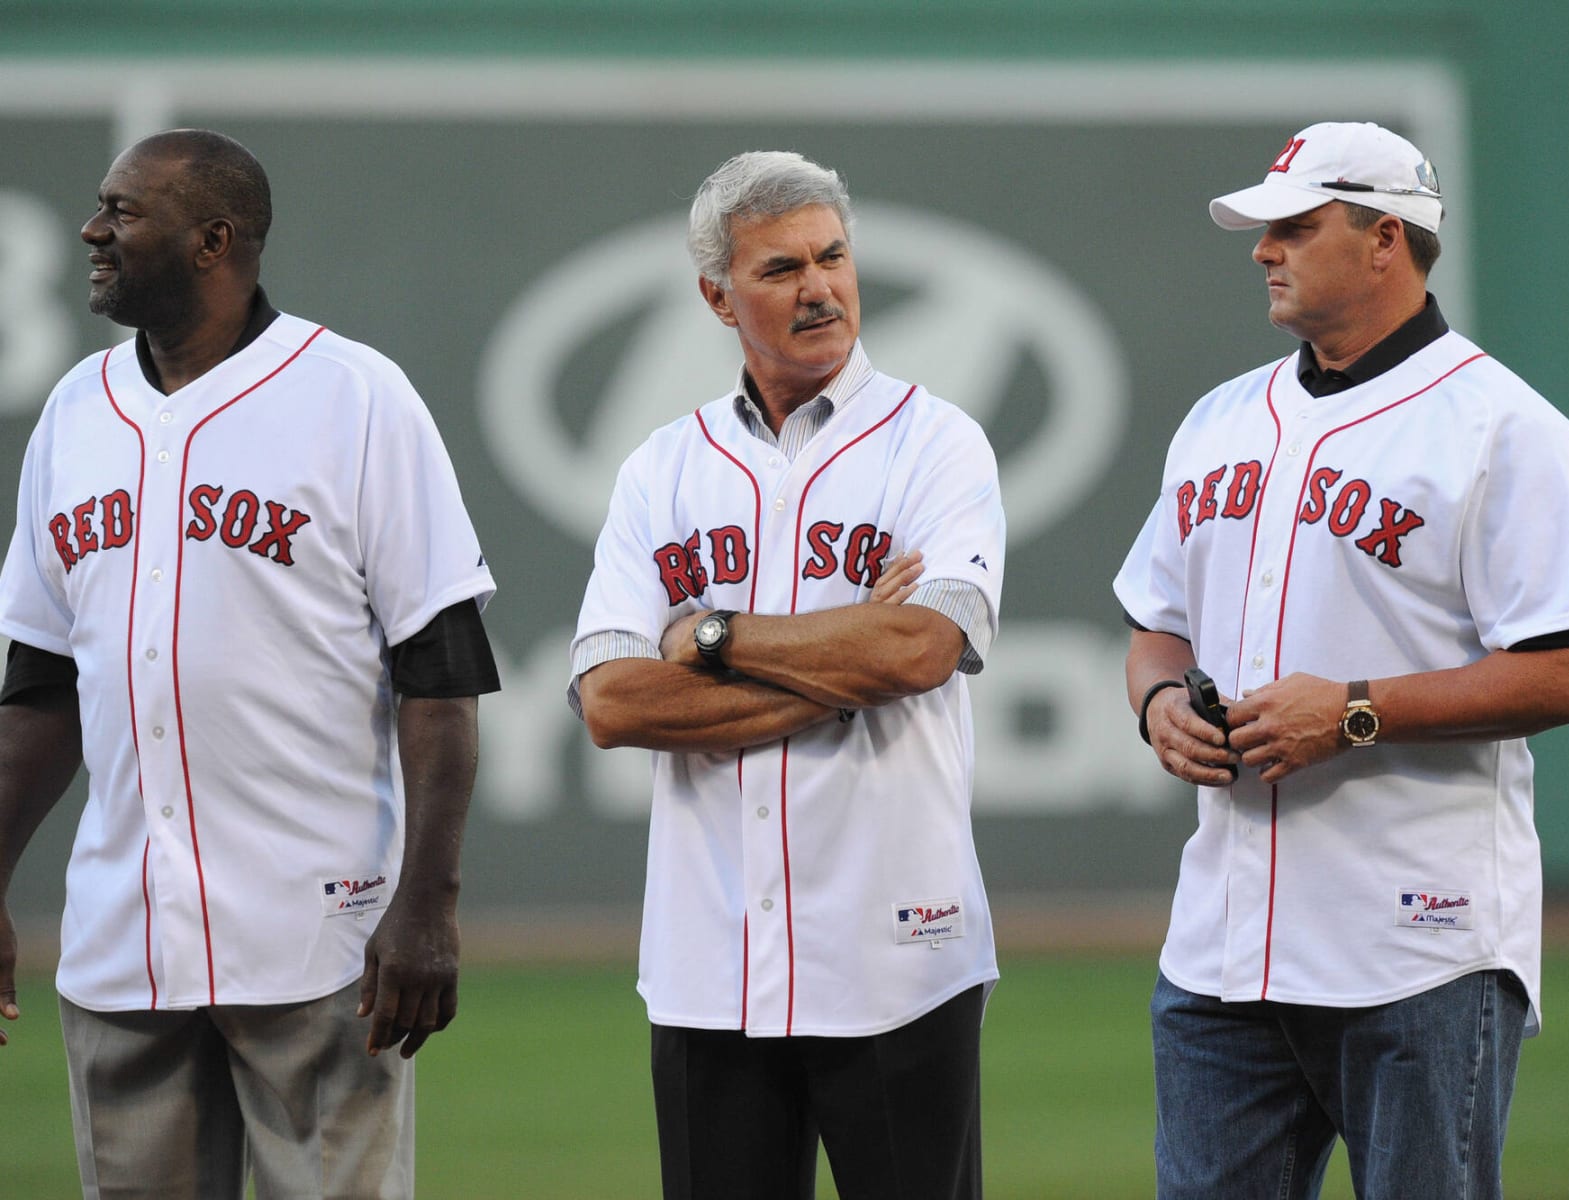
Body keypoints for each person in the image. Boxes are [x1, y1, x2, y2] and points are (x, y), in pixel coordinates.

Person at [0, 129, 499, 1200]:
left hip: (320, 940)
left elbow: (442, 678)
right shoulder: (76, 414)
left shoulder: (356, 397)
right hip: (122, 942)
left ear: (212, 240)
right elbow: (39, 687)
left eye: (123, 212)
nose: (92, 230)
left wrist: (428, 903)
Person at [1113, 120, 1569, 1199]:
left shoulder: (1502, 429)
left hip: (1417, 949)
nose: (1262, 249)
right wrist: (1155, 702)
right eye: (1262, 228)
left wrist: (1356, 712)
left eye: (1293, 225)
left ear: (1386, 238)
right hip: (1223, 948)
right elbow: (1155, 618)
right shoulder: (1221, 417)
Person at [569, 150, 1005, 1200]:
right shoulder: (660, 470)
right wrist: (847, 651)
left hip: (901, 955)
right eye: (780, 269)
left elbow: (921, 650)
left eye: (833, 257)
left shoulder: (935, 443)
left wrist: (711, 635)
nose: (818, 286)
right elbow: (613, 703)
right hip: (706, 966)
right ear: (717, 296)